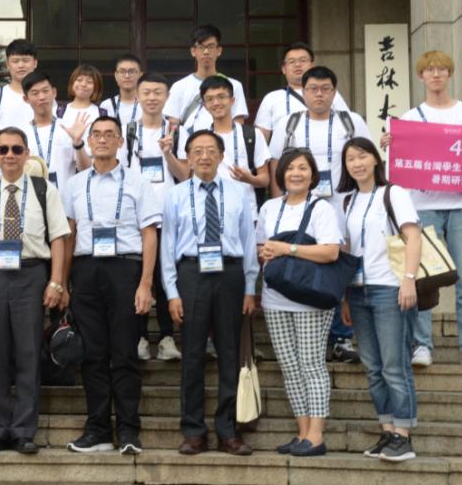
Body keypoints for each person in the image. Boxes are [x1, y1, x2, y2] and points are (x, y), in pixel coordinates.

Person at [382, 50, 462, 370]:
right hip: (423, 206)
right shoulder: (409, 118)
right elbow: (397, 166)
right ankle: (422, 344)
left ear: (450, 74)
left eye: (442, 69)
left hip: (461, 204)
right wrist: (390, 146)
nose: (436, 75)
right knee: (424, 278)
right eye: (430, 70)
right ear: (421, 76)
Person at [62, 116, 162, 455]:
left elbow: (149, 234)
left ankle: (129, 429)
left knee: (124, 354)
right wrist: (62, 282)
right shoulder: (75, 184)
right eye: (97, 135)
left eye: (109, 135)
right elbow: (69, 234)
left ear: (120, 142)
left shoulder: (138, 182)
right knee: (92, 355)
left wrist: (146, 284)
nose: (102, 140)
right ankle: (98, 430)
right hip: (86, 270)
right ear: (89, 141)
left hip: (125, 269)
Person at [0, 127, 71, 454]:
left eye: (16, 149)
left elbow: (59, 237)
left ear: (27, 154)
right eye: (3, 150)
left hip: (31, 274)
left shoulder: (43, 189)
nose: (10, 155)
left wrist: (57, 281)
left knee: (28, 353)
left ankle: (24, 430)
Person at [161, 130, 257, 456]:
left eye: (211, 150)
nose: (204, 156)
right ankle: (193, 431)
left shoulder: (239, 192)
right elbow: (167, 246)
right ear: (188, 157)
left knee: (230, 353)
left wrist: (250, 287)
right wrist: (172, 292)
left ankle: (228, 431)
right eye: (197, 151)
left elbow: (248, 243)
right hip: (191, 274)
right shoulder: (175, 195)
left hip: (230, 274)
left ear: (221, 155)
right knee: (192, 354)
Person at [267, 65, 370, 364]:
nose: (319, 94)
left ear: (335, 92)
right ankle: (315, 336)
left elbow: (367, 156)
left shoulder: (351, 121)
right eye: (313, 89)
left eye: (326, 89)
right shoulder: (289, 123)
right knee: (305, 263)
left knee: (338, 266)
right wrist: (279, 201)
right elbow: (276, 164)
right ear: (303, 91)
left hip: (343, 205)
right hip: (299, 206)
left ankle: (341, 336)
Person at [337, 138, 421, 462]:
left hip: (390, 288)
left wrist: (408, 280)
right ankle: (387, 431)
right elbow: (348, 249)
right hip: (358, 292)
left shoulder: (393, 193)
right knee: (373, 367)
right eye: (350, 159)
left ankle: (403, 436)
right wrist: (345, 297)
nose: (357, 164)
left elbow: (413, 236)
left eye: (362, 156)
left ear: (375, 159)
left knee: (394, 365)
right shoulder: (348, 201)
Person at [255, 149, 342, 457]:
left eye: (303, 168)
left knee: (311, 365)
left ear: (312, 175)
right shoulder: (269, 207)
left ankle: (316, 436)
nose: (295, 173)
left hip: (310, 299)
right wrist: (267, 252)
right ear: (281, 174)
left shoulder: (321, 208)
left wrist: (287, 249)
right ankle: (302, 432)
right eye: (290, 168)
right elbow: (261, 247)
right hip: (275, 298)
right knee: (290, 367)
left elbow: (331, 251)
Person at [118, 73, 184, 361]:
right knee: (138, 277)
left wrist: (169, 154)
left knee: (167, 277)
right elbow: (120, 173)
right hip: (136, 219)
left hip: (170, 216)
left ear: (167, 96)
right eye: (147, 92)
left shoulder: (178, 131)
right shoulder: (127, 131)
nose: (152, 97)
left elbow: (186, 175)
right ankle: (141, 338)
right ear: (138, 95)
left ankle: (168, 338)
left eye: (158, 92)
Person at [181, 76, 269, 216]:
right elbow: (191, 177)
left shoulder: (252, 134)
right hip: (208, 211)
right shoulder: (200, 139)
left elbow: (265, 179)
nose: (216, 103)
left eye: (221, 97)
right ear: (205, 105)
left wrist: (249, 179)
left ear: (232, 100)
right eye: (210, 99)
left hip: (245, 211)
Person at [253, 42, 349, 139]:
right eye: (291, 61)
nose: (297, 64)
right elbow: (261, 138)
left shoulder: (329, 93)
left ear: (312, 65)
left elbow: (347, 125)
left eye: (303, 60)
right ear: (283, 69)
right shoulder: (271, 98)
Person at [164, 26, 247, 134]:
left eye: (211, 46)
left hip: (223, 142)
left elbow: (238, 124)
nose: (206, 51)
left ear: (219, 50)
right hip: (189, 142)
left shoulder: (234, 85)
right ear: (193, 51)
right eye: (201, 47)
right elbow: (173, 125)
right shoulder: (178, 86)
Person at [23, 71, 91, 189]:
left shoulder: (69, 129)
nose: (42, 97)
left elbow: (86, 169)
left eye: (45, 91)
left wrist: (78, 143)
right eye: (35, 93)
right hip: (32, 197)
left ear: (54, 92)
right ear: (26, 99)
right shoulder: (21, 133)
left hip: (65, 198)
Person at [0, 39, 40, 145]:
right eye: (15, 61)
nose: (21, 65)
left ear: (35, 63)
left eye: (26, 60)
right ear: (7, 64)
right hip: (4, 154)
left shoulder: (44, 97)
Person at [100, 54, 144, 126]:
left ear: (140, 75)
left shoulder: (149, 104)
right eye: (122, 71)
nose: (127, 76)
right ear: (116, 75)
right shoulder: (106, 105)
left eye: (131, 71)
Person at [59, 64, 105, 128]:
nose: (83, 84)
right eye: (79, 80)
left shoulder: (103, 114)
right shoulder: (57, 112)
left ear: (96, 88)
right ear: (72, 83)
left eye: (89, 82)